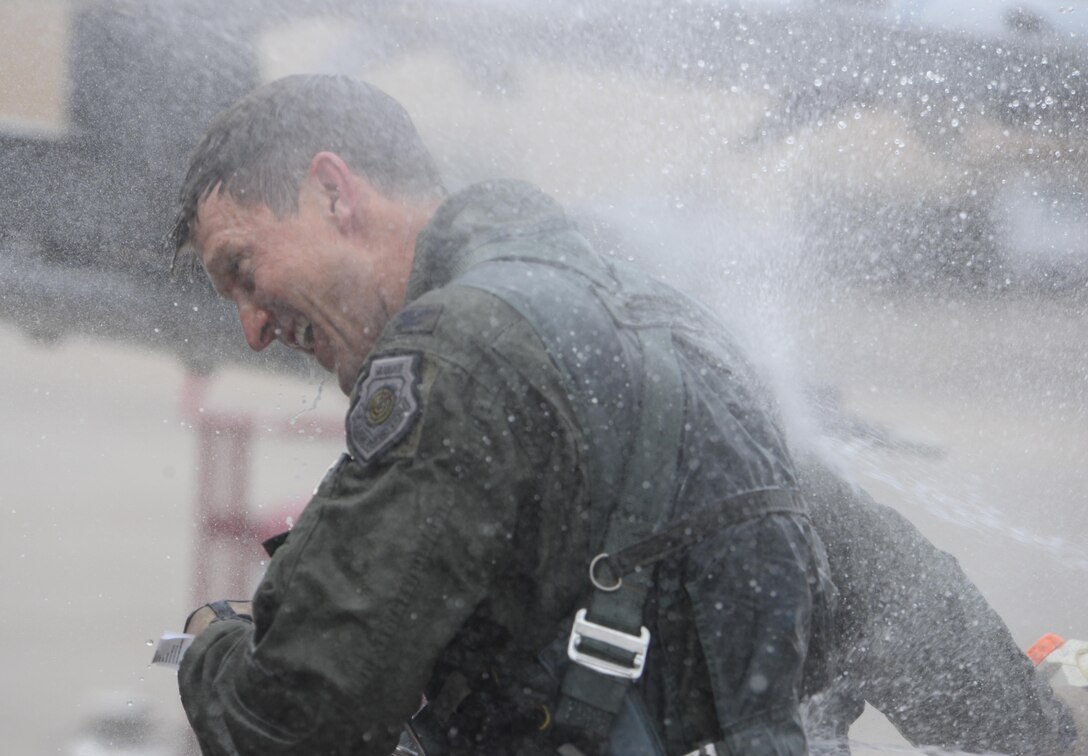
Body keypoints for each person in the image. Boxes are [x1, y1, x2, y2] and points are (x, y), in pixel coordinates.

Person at [170, 74, 835, 755]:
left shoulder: (460, 353)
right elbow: (904, 604)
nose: (252, 330)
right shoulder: (679, 330)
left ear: (334, 193)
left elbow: (298, 718)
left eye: (243, 270)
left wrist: (208, 645)